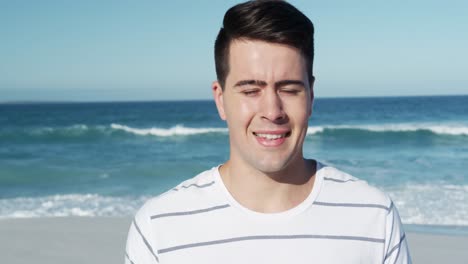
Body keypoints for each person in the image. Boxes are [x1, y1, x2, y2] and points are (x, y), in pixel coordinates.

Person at [125, 1, 412, 263]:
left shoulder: (374, 218)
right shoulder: (160, 228)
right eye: (251, 90)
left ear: (311, 96)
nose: (272, 111)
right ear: (221, 99)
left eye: (289, 89)